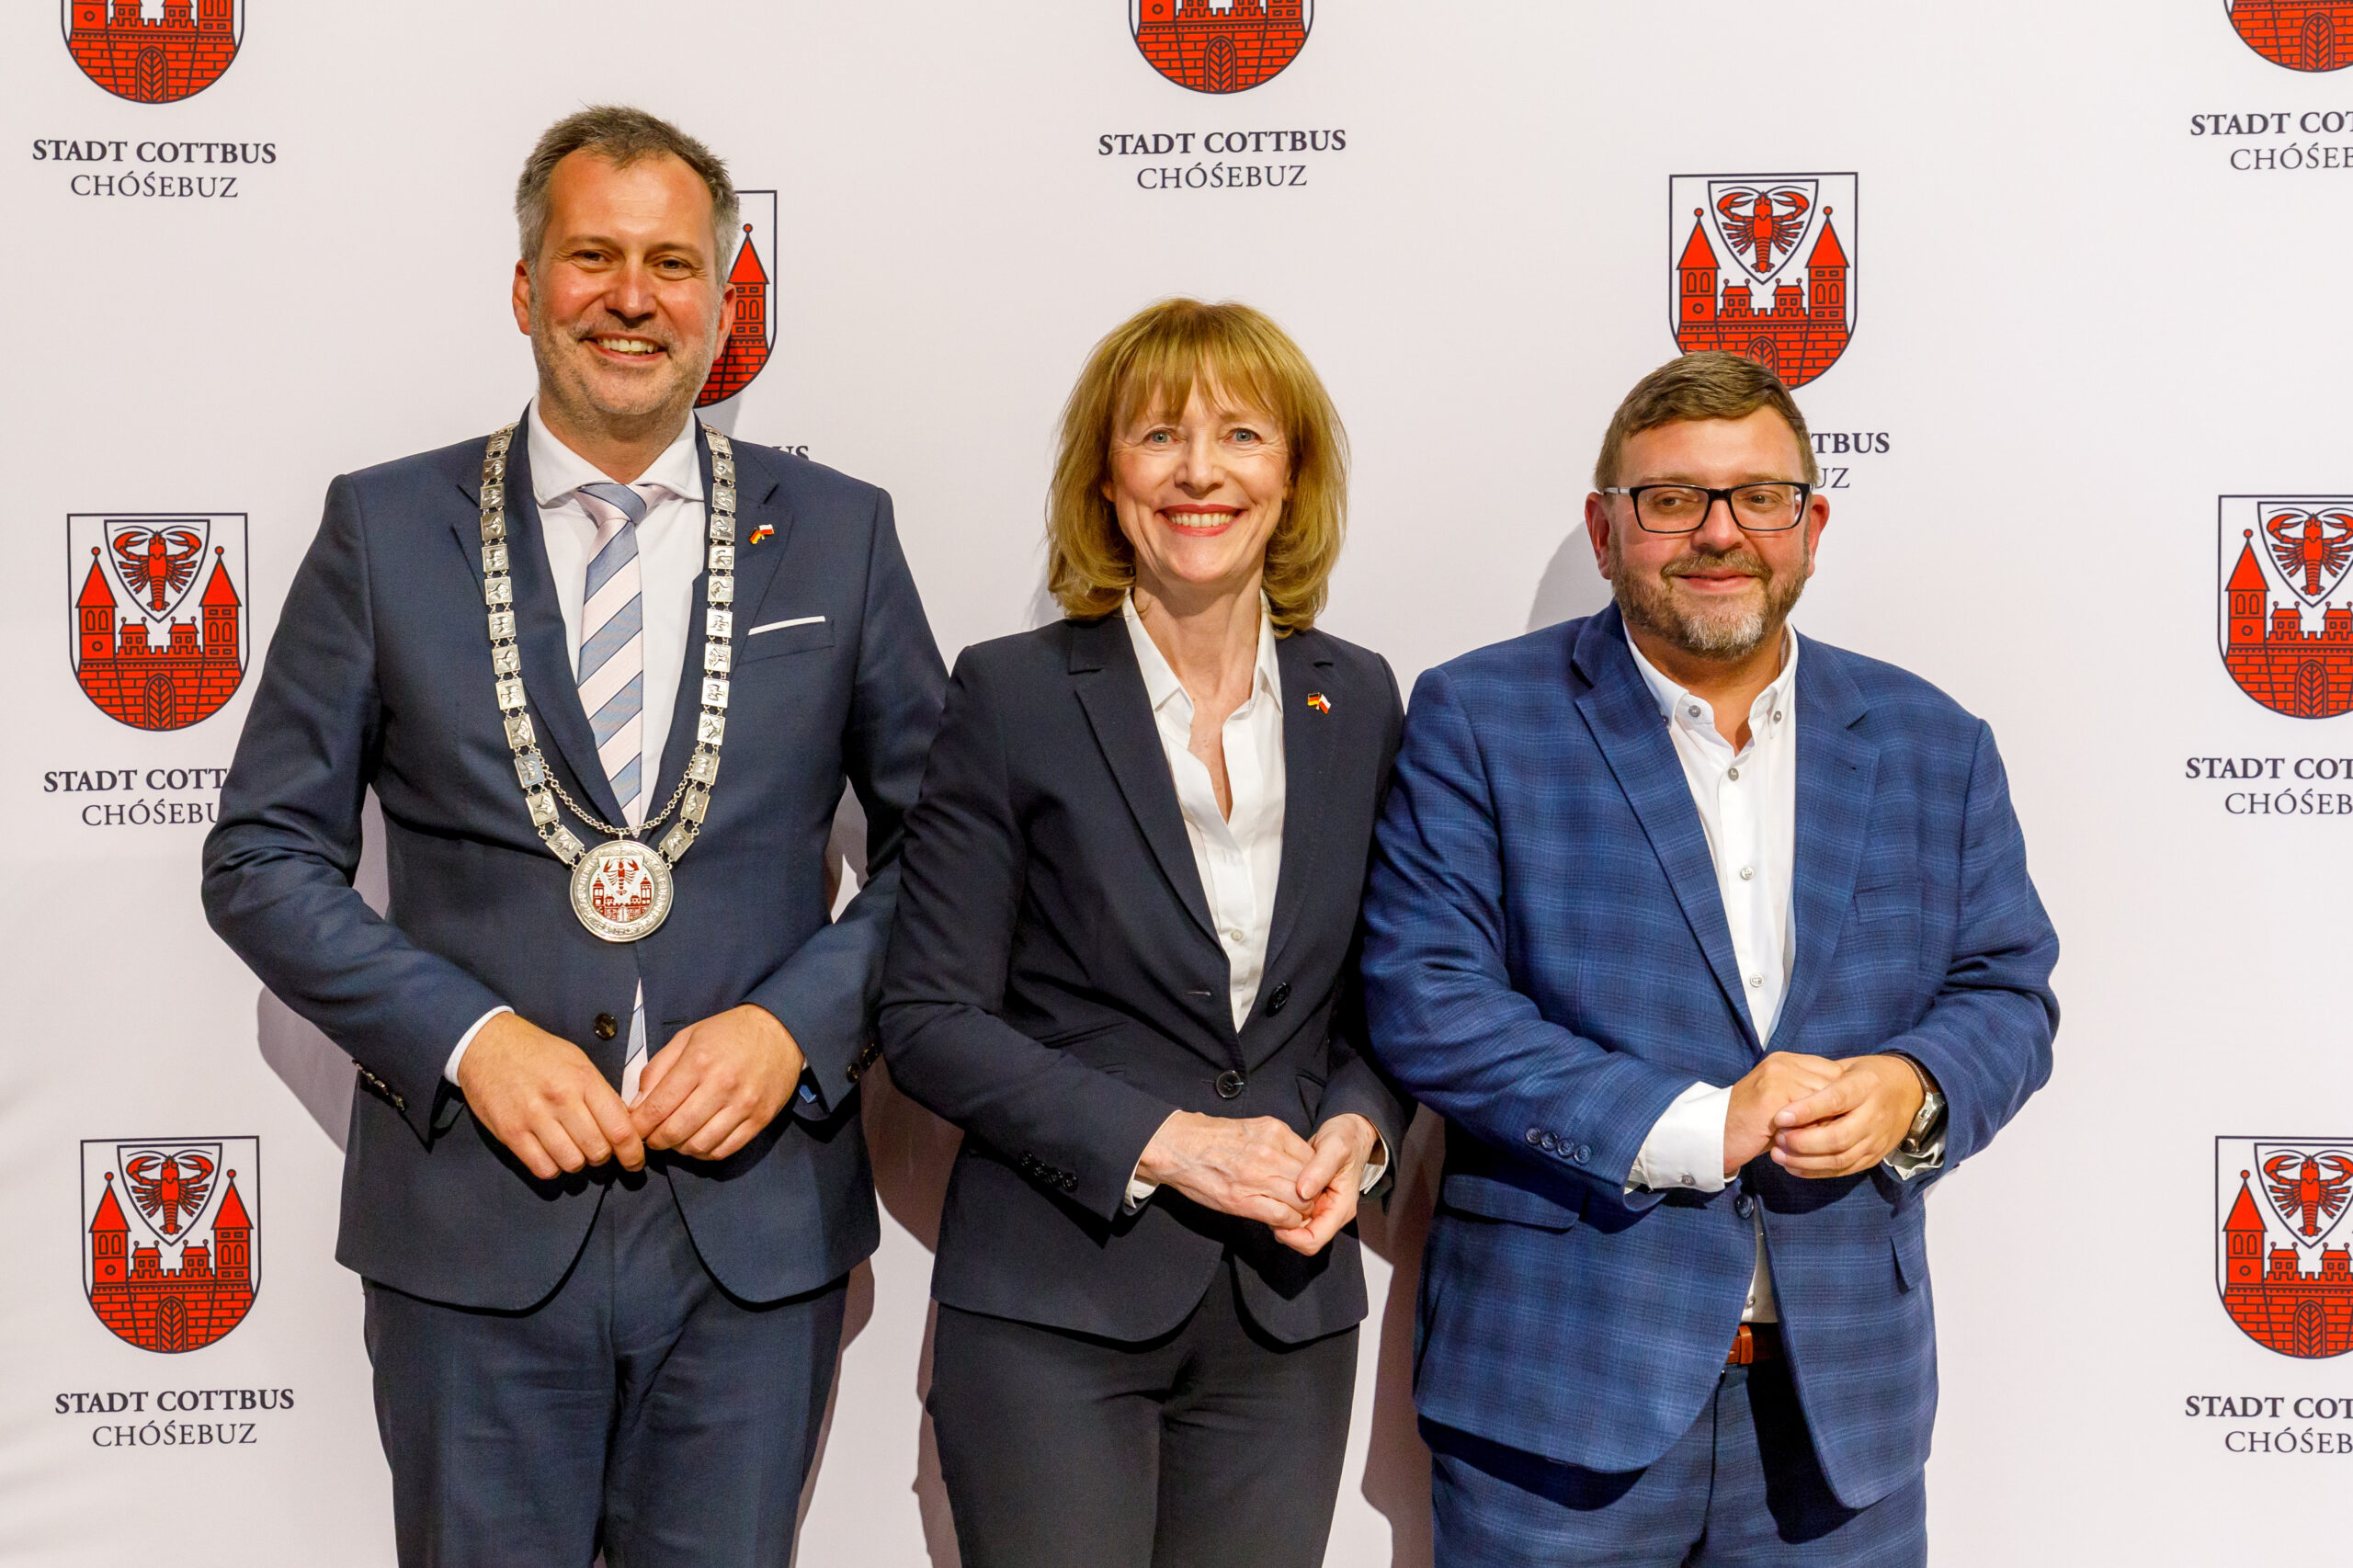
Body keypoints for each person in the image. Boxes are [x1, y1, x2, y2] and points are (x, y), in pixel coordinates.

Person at [200, 107, 945, 1567]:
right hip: (471, 1226)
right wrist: (470, 1039)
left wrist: (794, 1028)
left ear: (720, 301)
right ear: (526, 285)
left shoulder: (840, 532)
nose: (631, 297)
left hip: (753, 1234)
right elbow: (261, 858)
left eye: (672, 264)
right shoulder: (383, 527)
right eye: (593, 255)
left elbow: (946, 851)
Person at [1359, 351, 2058, 1566]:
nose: (1720, 532)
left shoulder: (1935, 742)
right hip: (1555, 1405)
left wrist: (1914, 1088)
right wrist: (1698, 1124)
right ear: (1606, 530)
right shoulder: (1480, 718)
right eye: (1673, 499)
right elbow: (1430, 1000)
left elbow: (2007, 990)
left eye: (1759, 497)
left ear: (1812, 527)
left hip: (1842, 1422)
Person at [878, 298, 1411, 1568]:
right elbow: (928, 1019)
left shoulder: (1360, 696)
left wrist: (1361, 1128)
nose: (1199, 471)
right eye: (1160, 435)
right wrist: (1169, 1143)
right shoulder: (1011, 693)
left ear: (1293, 478)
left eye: (1241, 434)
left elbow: (1385, 998)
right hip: (1054, 1304)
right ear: (1107, 481)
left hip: (1287, 1310)